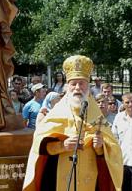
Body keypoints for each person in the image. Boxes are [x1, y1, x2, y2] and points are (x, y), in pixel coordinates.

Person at [23, 55, 123, 191]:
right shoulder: (55, 114)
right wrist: (62, 145)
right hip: (57, 177)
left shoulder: (98, 117)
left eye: (81, 83)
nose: (77, 88)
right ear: (67, 86)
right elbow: (38, 147)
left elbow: (113, 152)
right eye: (73, 83)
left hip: (91, 179)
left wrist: (100, 148)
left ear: (88, 86)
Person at [112, 93, 132, 191]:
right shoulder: (118, 118)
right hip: (123, 161)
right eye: (127, 102)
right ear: (123, 103)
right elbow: (114, 138)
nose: (130, 104)